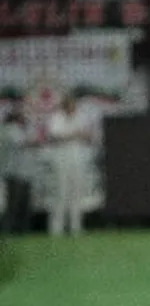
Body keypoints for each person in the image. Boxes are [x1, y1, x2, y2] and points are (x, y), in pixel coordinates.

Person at [45, 93, 96, 237]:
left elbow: (87, 135)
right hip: (61, 158)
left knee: (76, 193)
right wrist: (74, 134)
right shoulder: (57, 117)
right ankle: (56, 228)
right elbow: (55, 135)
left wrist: (79, 135)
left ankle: (76, 227)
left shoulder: (80, 117)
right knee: (61, 192)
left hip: (77, 158)